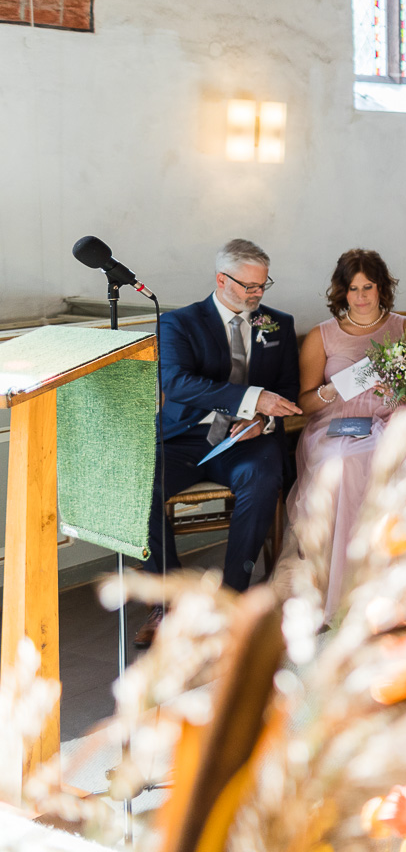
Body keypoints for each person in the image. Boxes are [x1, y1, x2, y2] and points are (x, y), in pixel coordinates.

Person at [142, 240, 301, 646]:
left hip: (247, 440)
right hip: (185, 437)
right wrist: (251, 399)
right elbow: (175, 383)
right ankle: (169, 602)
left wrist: (262, 418)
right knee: (139, 486)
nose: (257, 294)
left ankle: (233, 599)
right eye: (248, 286)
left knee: (264, 479)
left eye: (262, 286)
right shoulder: (179, 323)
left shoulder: (278, 324)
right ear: (221, 279)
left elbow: (286, 389)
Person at [289, 249, 406, 617]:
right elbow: (304, 403)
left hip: (391, 421)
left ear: (382, 288)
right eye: (353, 288)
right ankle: (346, 584)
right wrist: (331, 390)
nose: (362, 296)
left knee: (389, 457)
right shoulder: (322, 336)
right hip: (336, 427)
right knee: (346, 463)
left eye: (369, 287)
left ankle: (393, 582)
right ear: (342, 292)